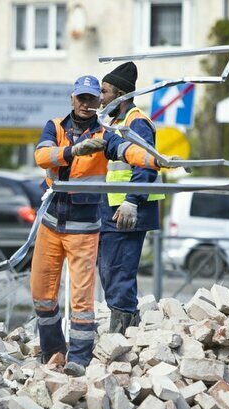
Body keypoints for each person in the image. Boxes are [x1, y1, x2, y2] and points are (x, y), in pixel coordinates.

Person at [32, 74, 174, 377]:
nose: (86, 103)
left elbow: (128, 152)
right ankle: (53, 352)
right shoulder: (55, 127)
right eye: (80, 98)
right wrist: (73, 151)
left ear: (100, 101)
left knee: (83, 299)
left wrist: (155, 160)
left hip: (84, 227)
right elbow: (43, 157)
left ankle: (79, 360)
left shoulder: (105, 134)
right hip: (51, 223)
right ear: (72, 99)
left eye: (92, 98)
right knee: (43, 294)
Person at [98, 62, 165, 334]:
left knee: (120, 269)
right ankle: (124, 321)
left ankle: (123, 327)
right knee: (109, 269)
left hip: (129, 209)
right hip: (113, 207)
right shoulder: (114, 123)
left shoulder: (136, 122)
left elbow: (146, 163)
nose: (100, 98)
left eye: (104, 92)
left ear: (121, 94)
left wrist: (132, 200)